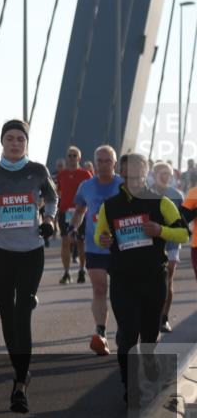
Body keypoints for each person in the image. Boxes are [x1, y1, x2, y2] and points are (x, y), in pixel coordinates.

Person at [0, 119, 57, 413]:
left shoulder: (37, 171)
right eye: (10, 138)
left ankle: (19, 383)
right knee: (7, 314)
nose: (15, 143)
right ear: (2, 142)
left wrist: (49, 220)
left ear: (26, 143)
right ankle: (22, 371)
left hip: (31, 250)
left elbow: (52, 198)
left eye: (20, 138)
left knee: (22, 312)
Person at [95, 153, 190, 402]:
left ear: (145, 172)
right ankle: (130, 386)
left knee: (148, 335)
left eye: (139, 171)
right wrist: (103, 239)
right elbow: (99, 236)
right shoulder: (111, 205)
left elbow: (183, 234)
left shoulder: (160, 202)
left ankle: (149, 361)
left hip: (152, 278)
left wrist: (161, 230)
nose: (134, 176)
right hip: (123, 278)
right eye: (129, 171)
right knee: (128, 334)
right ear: (122, 173)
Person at [69, 146, 121, 356]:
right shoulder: (86, 186)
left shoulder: (124, 185)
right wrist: (73, 227)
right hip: (94, 246)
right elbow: (80, 210)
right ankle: (101, 334)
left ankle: (125, 333)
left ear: (114, 164)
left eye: (107, 161)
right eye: (99, 160)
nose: (102, 164)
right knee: (99, 289)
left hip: (120, 247)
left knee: (120, 292)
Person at [152, 162, 185, 333]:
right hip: (151, 241)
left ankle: (164, 318)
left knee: (168, 278)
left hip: (171, 242)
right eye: (162, 173)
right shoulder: (146, 193)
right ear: (155, 174)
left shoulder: (176, 195)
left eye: (168, 174)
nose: (166, 176)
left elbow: (184, 221)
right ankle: (150, 316)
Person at [56, 147, 90, 285]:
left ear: (79, 158)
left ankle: (82, 269)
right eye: (69, 155)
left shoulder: (85, 174)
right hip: (65, 212)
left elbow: (91, 192)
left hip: (81, 212)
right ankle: (67, 273)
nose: (71, 158)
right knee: (65, 242)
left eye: (74, 155)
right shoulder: (62, 174)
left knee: (81, 243)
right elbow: (58, 192)